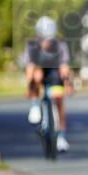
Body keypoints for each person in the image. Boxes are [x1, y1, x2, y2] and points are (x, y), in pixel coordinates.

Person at [25, 16, 73, 152]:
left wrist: (67, 83)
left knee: (59, 99)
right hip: (40, 71)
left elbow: (64, 67)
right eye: (43, 39)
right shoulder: (32, 46)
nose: (46, 43)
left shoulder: (60, 44)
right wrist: (30, 87)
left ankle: (61, 137)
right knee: (36, 74)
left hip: (54, 73)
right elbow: (30, 67)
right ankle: (35, 107)